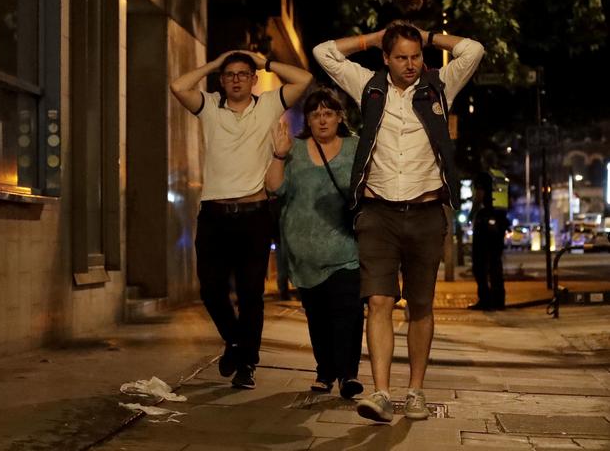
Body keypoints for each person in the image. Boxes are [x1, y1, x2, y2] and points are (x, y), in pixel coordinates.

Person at [313, 23, 484, 421]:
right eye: (401, 57)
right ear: (386, 59)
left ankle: (416, 391)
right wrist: (372, 38)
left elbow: (473, 49)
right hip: (377, 214)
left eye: (415, 56)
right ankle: (381, 392)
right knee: (378, 301)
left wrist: (427, 37)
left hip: (426, 213)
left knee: (421, 306)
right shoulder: (368, 87)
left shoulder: (439, 85)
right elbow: (324, 51)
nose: (410, 64)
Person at [170, 50, 312, 389]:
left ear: (253, 79)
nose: (236, 79)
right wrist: (214, 63)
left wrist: (264, 62)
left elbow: (303, 79)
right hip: (214, 215)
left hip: (254, 215)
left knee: (250, 294)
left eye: (242, 73)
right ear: (222, 80)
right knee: (210, 289)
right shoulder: (209, 107)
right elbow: (178, 85)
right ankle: (234, 341)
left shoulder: (268, 104)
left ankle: (247, 363)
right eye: (229, 74)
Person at [265, 88, 364, 399]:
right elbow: (274, 188)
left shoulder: (355, 147)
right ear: (307, 119)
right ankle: (325, 371)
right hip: (303, 253)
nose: (322, 120)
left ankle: (348, 375)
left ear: (339, 117)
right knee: (318, 316)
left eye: (328, 113)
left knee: (348, 313)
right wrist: (279, 155)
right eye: (315, 114)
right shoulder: (292, 149)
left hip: (346, 249)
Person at [469, 172, 510, 311]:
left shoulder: (483, 175)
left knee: (479, 263)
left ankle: (485, 299)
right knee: (495, 263)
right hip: (500, 220)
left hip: (485, 220)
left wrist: (472, 214)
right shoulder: (501, 176)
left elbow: (479, 196)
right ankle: (499, 300)